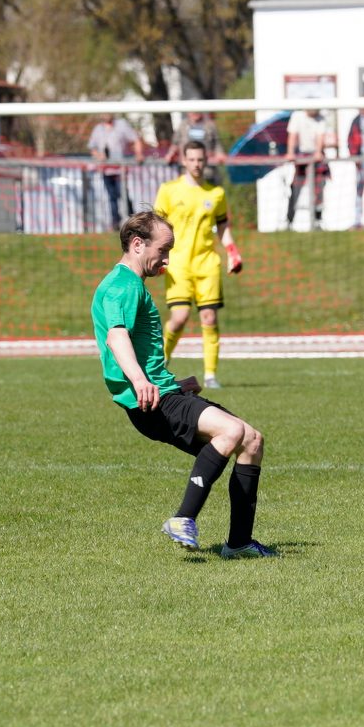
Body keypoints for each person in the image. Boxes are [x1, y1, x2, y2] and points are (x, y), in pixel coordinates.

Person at [90, 210, 274, 557]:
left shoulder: (129, 284)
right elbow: (116, 338)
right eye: (163, 249)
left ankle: (239, 543)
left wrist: (175, 383)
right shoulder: (122, 285)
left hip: (165, 392)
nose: (167, 259)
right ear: (137, 244)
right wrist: (141, 380)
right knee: (231, 432)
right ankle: (183, 518)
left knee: (252, 440)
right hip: (151, 400)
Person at [154, 141, 243, 390]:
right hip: (178, 263)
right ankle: (160, 362)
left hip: (207, 264)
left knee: (209, 317)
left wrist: (232, 252)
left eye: (200, 159)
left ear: (206, 160)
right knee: (179, 318)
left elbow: (223, 226)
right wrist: (157, 256)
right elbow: (156, 226)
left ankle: (211, 375)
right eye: (191, 159)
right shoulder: (169, 190)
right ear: (184, 160)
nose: (196, 164)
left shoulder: (215, 194)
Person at [88, 114, 144, 229]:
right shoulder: (98, 129)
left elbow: (136, 139)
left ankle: (134, 222)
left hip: (120, 169)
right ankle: (115, 224)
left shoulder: (121, 125)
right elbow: (92, 147)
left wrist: (138, 154)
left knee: (123, 195)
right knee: (111, 198)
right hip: (105, 170)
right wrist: (99, 155)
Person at [285, 108, 331, 229]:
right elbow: (293, 135)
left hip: (316, 158)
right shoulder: (297, 116)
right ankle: (289, 221)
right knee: (295, 189)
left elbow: (320, 137)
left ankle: (318, 220)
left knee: (319, 189)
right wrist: (290, 153)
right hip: (302, 156)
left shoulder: (321, 118)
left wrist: (318, 152)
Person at [166, 112, 226, 183]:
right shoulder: (183, 125)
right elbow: (175, 143)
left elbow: (217, 143)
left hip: (207, 169)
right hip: (186, 169)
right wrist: (170, 154)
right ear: (188, 113)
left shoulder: (210, 125)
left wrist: (220, 153)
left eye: (197, 111)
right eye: (192, 111)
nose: (195, 113)